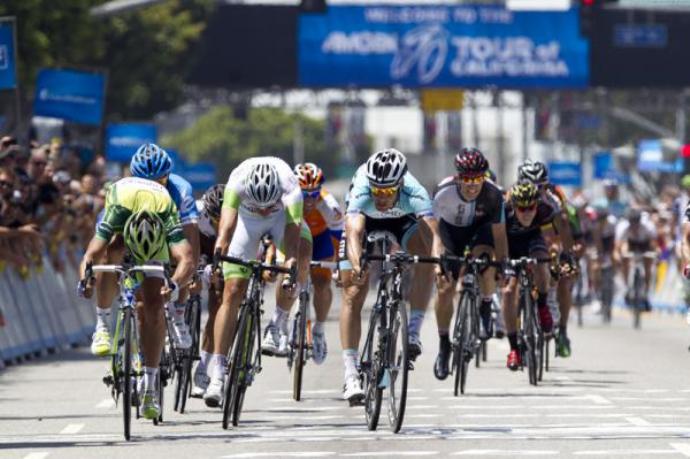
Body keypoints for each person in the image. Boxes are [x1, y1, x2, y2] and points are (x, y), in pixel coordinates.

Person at [78, 176, 194, 420]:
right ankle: (102, 325)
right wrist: (86, 279)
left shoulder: (167, 211)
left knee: (153, 306)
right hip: (123, 227)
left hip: (154, 241)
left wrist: (173, 284)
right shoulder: (117, 209)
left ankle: (150, 388)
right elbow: (91, 253)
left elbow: (186, 260)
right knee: (112, 254)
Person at [339, 148, 443, 403]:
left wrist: (439, 265)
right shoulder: (363, 189)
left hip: (402, 221)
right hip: (365, 222)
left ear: (400, 184)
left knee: (426, 261)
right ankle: (351, 372)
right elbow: (353, 233)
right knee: (353, 290)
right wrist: (357, 266)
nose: (381, 196)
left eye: (386, 191)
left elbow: (434, 235)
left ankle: (414, 329)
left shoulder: (414, 191)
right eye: (377, 190)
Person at [204, 157, 302, 407]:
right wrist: (218, 255)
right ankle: (218, 372)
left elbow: (293, 231)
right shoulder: (237, 182)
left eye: (267, 205)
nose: (264, 210)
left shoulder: (290, 185)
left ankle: (278, 321)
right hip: (245, 222)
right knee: (232, 291)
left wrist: (290, 261)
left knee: (302, 253)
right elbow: (226, 229)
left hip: (282, 219)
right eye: (260, 206)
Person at [431, 148, 508, 380]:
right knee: (444, 287)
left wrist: (501, 266)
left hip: (479, 231)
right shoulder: (443, 192)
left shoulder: (493, 195)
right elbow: (434, 233)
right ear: (458, 177)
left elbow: (500, 235)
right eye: (467, 179)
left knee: (486, 262)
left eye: (477, 179)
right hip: (450, 233)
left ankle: (485, 306)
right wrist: (437, 262)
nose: (473, 184)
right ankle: (444, 345)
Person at [130, 143, 201, 350]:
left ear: (168, 174)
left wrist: (190, 270)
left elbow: (190, 236)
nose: (154, 186)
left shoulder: (182, 190)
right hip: (143, 233)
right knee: (144, 299)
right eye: (147, 182)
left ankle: (179, 313)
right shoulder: (127, 190)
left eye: (160, 180)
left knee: (186, 261)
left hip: (173, 228)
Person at [518, 160, 576, 358]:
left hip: (546, 234)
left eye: (540, 187)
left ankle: (563, 331)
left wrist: (567, 255)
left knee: (563, 276)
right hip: (520, 237)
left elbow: (563, 228)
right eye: (531, 186)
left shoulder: (554, 199)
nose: (537, 191)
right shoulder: (512, 197)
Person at [289, 162, 343, 364]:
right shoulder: (287, 200)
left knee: (322, 283)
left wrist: (340, 265)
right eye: (305, 195)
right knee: (288, 273)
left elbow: (340, 239)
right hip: (294, 237)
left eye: (314, 194)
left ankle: (319, 329)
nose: (310, 200)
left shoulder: (329, 206)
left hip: (321, 239)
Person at [501, 181, 556, 371]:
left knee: (542, 264)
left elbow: (549, 240)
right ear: (513, 206)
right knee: (508, 291)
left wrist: (553, 260)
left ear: (536, 205)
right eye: (521, 208)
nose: (526, 213)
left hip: (534, 242)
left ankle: (542, 305)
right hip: (511, 246)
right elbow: (496, 240)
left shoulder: (544, 210)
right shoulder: (503, 212)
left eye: (530, 208)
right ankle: (514, 348)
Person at [617, 208, 657, 310]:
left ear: (640, 221)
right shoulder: (623, 227)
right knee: (624, 257)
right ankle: (627, 287)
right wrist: (619, 256)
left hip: (645, 244)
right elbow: (618, 246)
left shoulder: (649, 227)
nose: (634, 226)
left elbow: (653, 244)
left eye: (636, 223)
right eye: (632, 223)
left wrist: (654, 254)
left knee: (649, 264)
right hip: (630, 244)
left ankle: (646, 294)